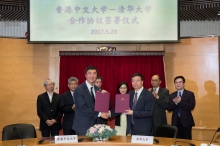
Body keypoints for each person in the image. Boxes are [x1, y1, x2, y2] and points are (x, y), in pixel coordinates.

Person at [72, 65, 108, 135]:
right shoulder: (79, 89)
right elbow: (83, 108)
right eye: (90, 73)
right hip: (83, 126)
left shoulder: (97, 89)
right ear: (85, 75)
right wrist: (100, 114)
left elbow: (99, 106)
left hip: (96, 126)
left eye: (94, 73)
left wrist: (104, 97)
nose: (92, 75)